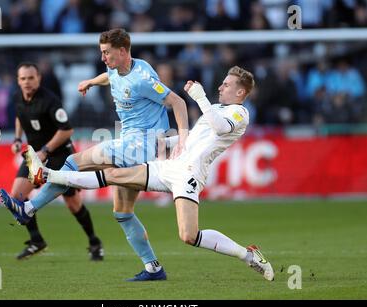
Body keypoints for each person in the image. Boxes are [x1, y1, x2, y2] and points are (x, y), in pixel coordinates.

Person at [24, 66, 275, 281]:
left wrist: (200, 98)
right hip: (169, 167)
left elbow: (219, 129)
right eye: (222, 82)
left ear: (240, 92)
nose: (221, 86)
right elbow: (197, 138)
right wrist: (164, 142)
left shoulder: (239, 113)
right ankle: (47, 175)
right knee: (114, 175)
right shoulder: (218, 107)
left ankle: (248, 254)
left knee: (189, 235)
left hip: (188, 175)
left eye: (227, 84)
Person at [0, 28, 189, 281]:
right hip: (131, 144)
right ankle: (153, 268)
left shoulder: (143, 77)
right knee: (122, 212)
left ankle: (29, 208)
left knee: (72, 162)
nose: (103, 58)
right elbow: (109, 77)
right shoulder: (117, 68)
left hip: (139, 145)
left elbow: (178, 102)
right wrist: (91, 82)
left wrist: (183, 138)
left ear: (122, 51)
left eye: (107, 52)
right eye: (101, 52)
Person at [4, 62, 104, 261]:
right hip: (35, 155)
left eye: (31, 78)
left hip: (60, 155)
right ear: (18, 80)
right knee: (17, 195)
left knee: (73, 204)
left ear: (39, 78)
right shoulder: (17, 97)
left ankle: (94, 242)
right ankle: (36, 240)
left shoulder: (50, 100)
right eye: (23, 78)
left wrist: (46, 150)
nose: (27, 82)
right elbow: (19, 117)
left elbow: (67, 130)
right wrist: (17, 139)